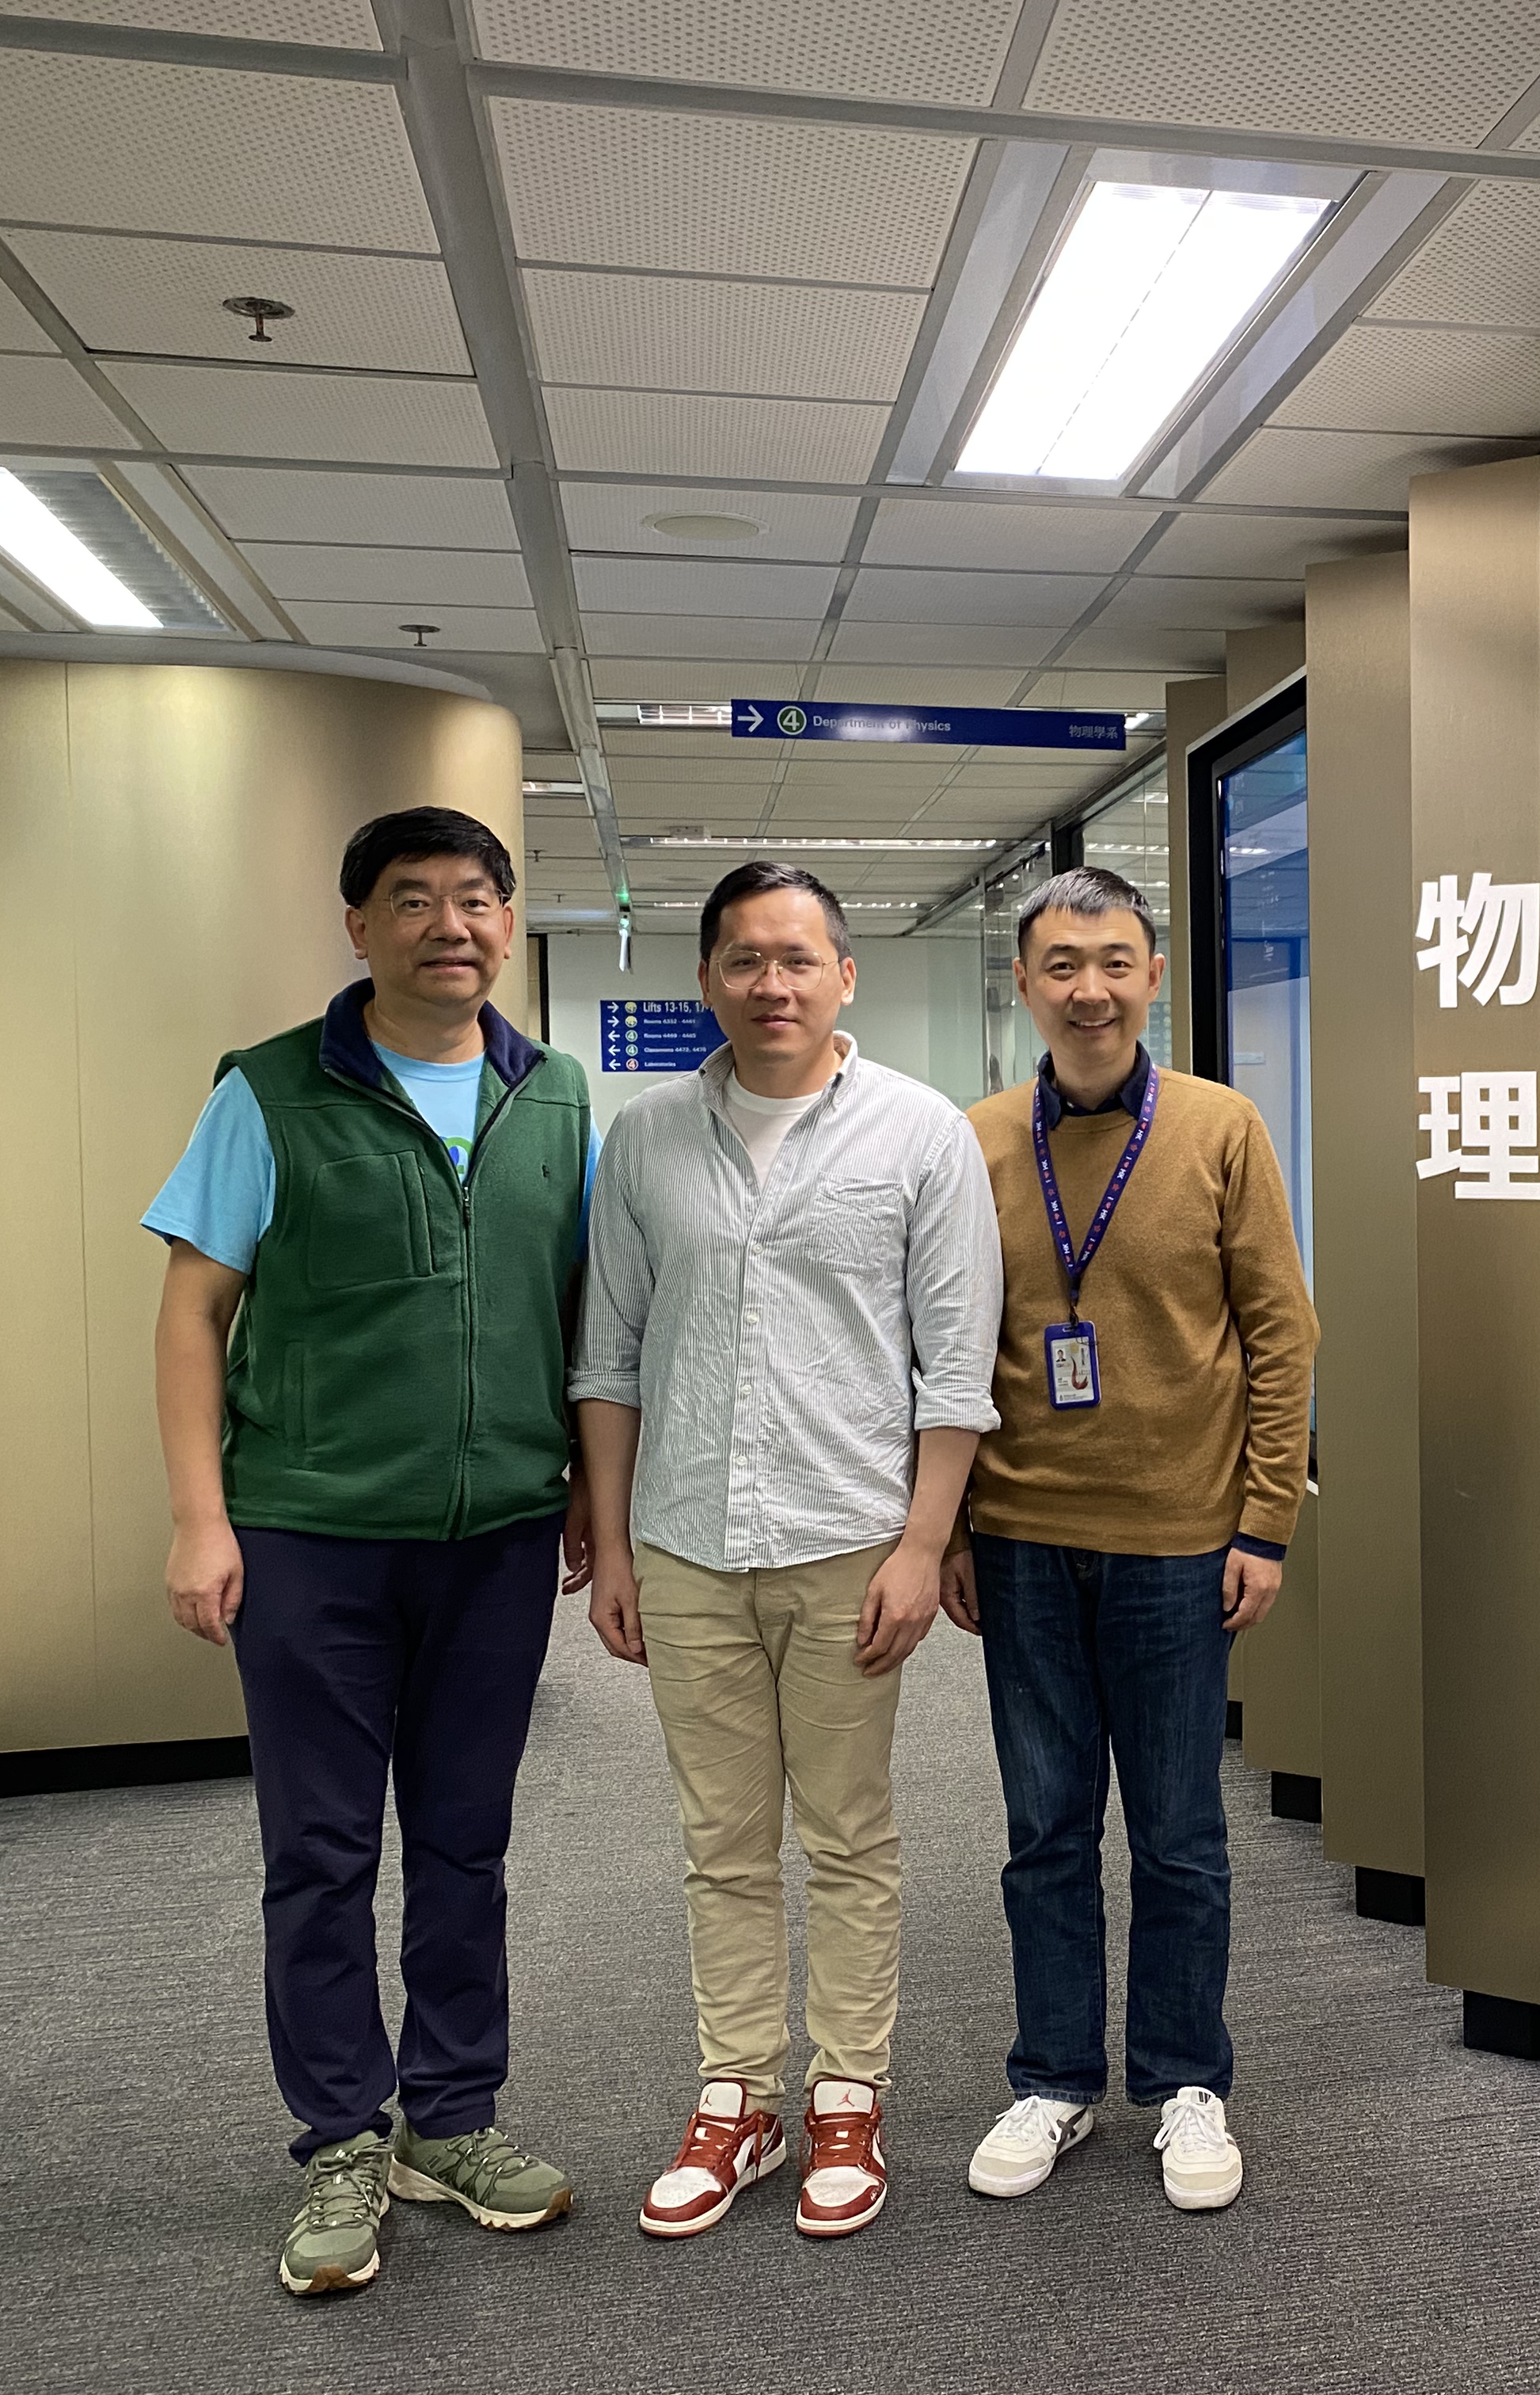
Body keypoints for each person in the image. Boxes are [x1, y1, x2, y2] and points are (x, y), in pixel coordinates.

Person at [146, 806, 594, 2298]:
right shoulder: (271, 1091)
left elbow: (581, 1317)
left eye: (475, 899)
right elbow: (193, 1312)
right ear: (359, 927)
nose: (448, 925)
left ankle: (451, 2118)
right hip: (312, 1536)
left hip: (498, 1537)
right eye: (412, 900)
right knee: (324, 1851)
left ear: (507, 924)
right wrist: (200, 1518)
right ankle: (341, 2134)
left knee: (467, 1842)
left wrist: (586, 1491)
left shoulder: (555, 1098)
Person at [574, 862, 1002, 2244]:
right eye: (746, 960)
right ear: (707, 977)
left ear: (844, 977)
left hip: (849, 1543)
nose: (773, 984)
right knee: (722, 1838)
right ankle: (739, 2096)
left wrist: (924, 1545)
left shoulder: (920, 1133)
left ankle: (848, 2095)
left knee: (849, 1832)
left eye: (798, 959)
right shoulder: (645, 1137)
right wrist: (615, 1541)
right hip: (687, 1542)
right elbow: (609, 1355)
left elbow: (957, 1365)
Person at [943, 864, 1318, 2214]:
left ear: (1153, 977)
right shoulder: (975, 1139)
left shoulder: (1221, 1127)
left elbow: (1281, 1332)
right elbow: (942, 1345)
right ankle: (1053, 2078)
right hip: (1023, 1538)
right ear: (1026, 984)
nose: (1089, 989)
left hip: (1179, 1543)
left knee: (1178, 1835)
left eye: (1115, 962)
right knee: (1044, 1829)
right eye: (1062, 965)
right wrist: (950, 1528)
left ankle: (1183, 2081)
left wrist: (1265, 1521)